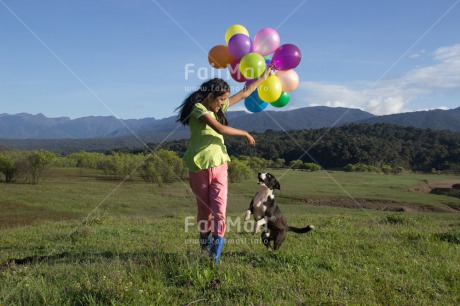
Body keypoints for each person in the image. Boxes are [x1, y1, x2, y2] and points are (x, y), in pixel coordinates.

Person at [176, 67, 271, 266]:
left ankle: (215, 257)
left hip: (220, 166)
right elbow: (219, 128)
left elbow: (245, 92)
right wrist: (244, 133)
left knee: (220, 210)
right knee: (205, 212)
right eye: (220, 99)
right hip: (199, 167)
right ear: (210, 96)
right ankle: (205, 248)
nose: (222, 104)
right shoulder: (199, 110)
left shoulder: (217, 106)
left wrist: (264, 76)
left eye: (224, 100)